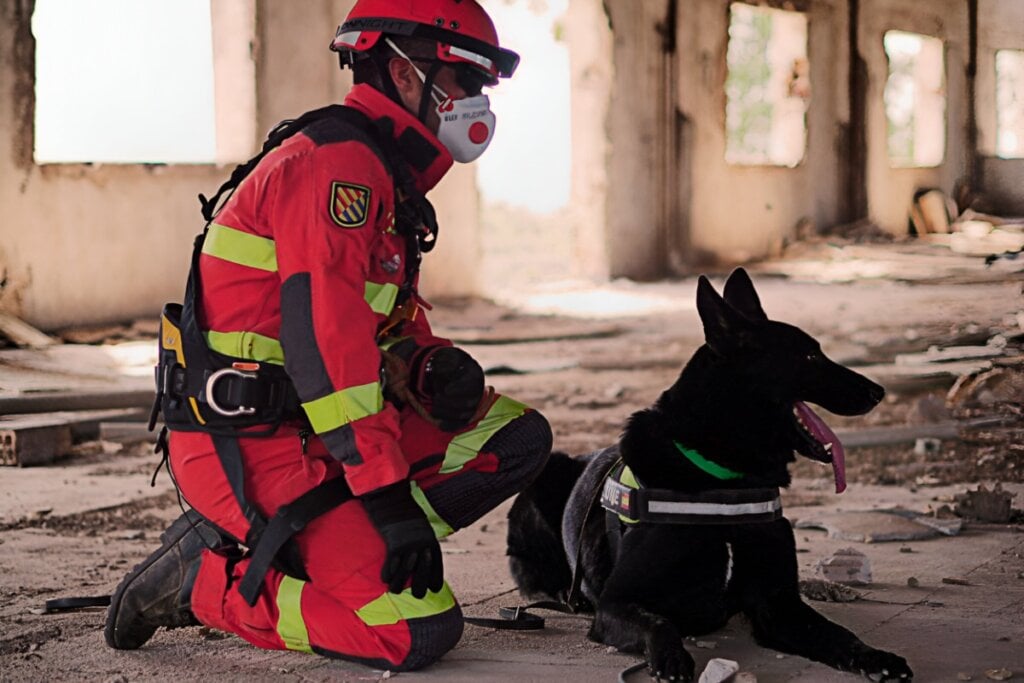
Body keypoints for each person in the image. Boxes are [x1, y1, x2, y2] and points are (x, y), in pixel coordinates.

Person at [104, 0, 552, 672]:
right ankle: (207, 583)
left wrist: (425, 365)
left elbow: (382, 330)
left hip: (319, 429)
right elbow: (326, 346)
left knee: (515, 440)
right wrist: (388, 494)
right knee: (417, 630)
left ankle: (335, 545)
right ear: (406, 75)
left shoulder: (380, 174)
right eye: (467, 81)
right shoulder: (337, 168)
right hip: (257, 446)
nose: (475, 102)